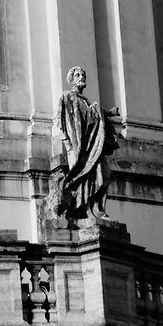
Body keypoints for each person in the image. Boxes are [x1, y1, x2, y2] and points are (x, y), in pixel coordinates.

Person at [46, 64, 111, 224]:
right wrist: (68, 145)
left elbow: (92, 117)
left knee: (104, 175)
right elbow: (60, 122)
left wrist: (107, 113)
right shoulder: (67, 97)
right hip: (77, 148)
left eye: (83, 75)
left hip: (92, 147)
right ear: (71, 80)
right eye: (77, 75)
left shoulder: (87, 102)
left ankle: (97, 209)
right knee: (82, 178)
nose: (82, 77)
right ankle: (83, 212)